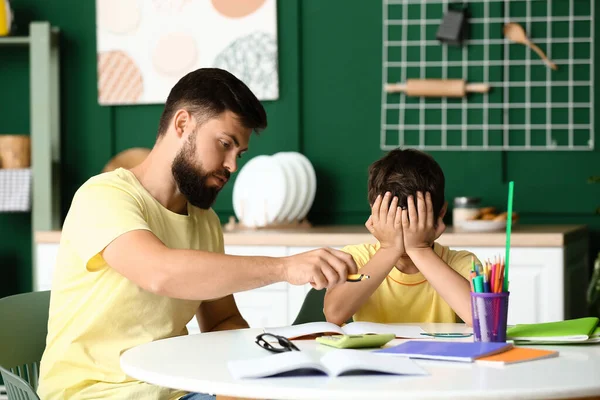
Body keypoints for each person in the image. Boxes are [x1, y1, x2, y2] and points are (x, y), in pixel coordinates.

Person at [37, 68, 357, 400]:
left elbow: (222, 320)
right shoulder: (103, 197)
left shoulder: (204, 221)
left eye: (239, 153)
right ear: (182, 124)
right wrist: (284, 268)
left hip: (175, 390)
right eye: (225, 144)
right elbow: (160, 273)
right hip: (93, 394)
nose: (233, 165)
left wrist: (274, 361)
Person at [323, 148, 479, 327]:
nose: (404, 238)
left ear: (440, 213)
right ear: (375, 213)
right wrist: (389, 249)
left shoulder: (461, 264)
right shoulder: (356, 260)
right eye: (394, 226)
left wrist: (419, 249)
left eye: (414, 225)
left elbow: (481, 318)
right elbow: (334, 314)